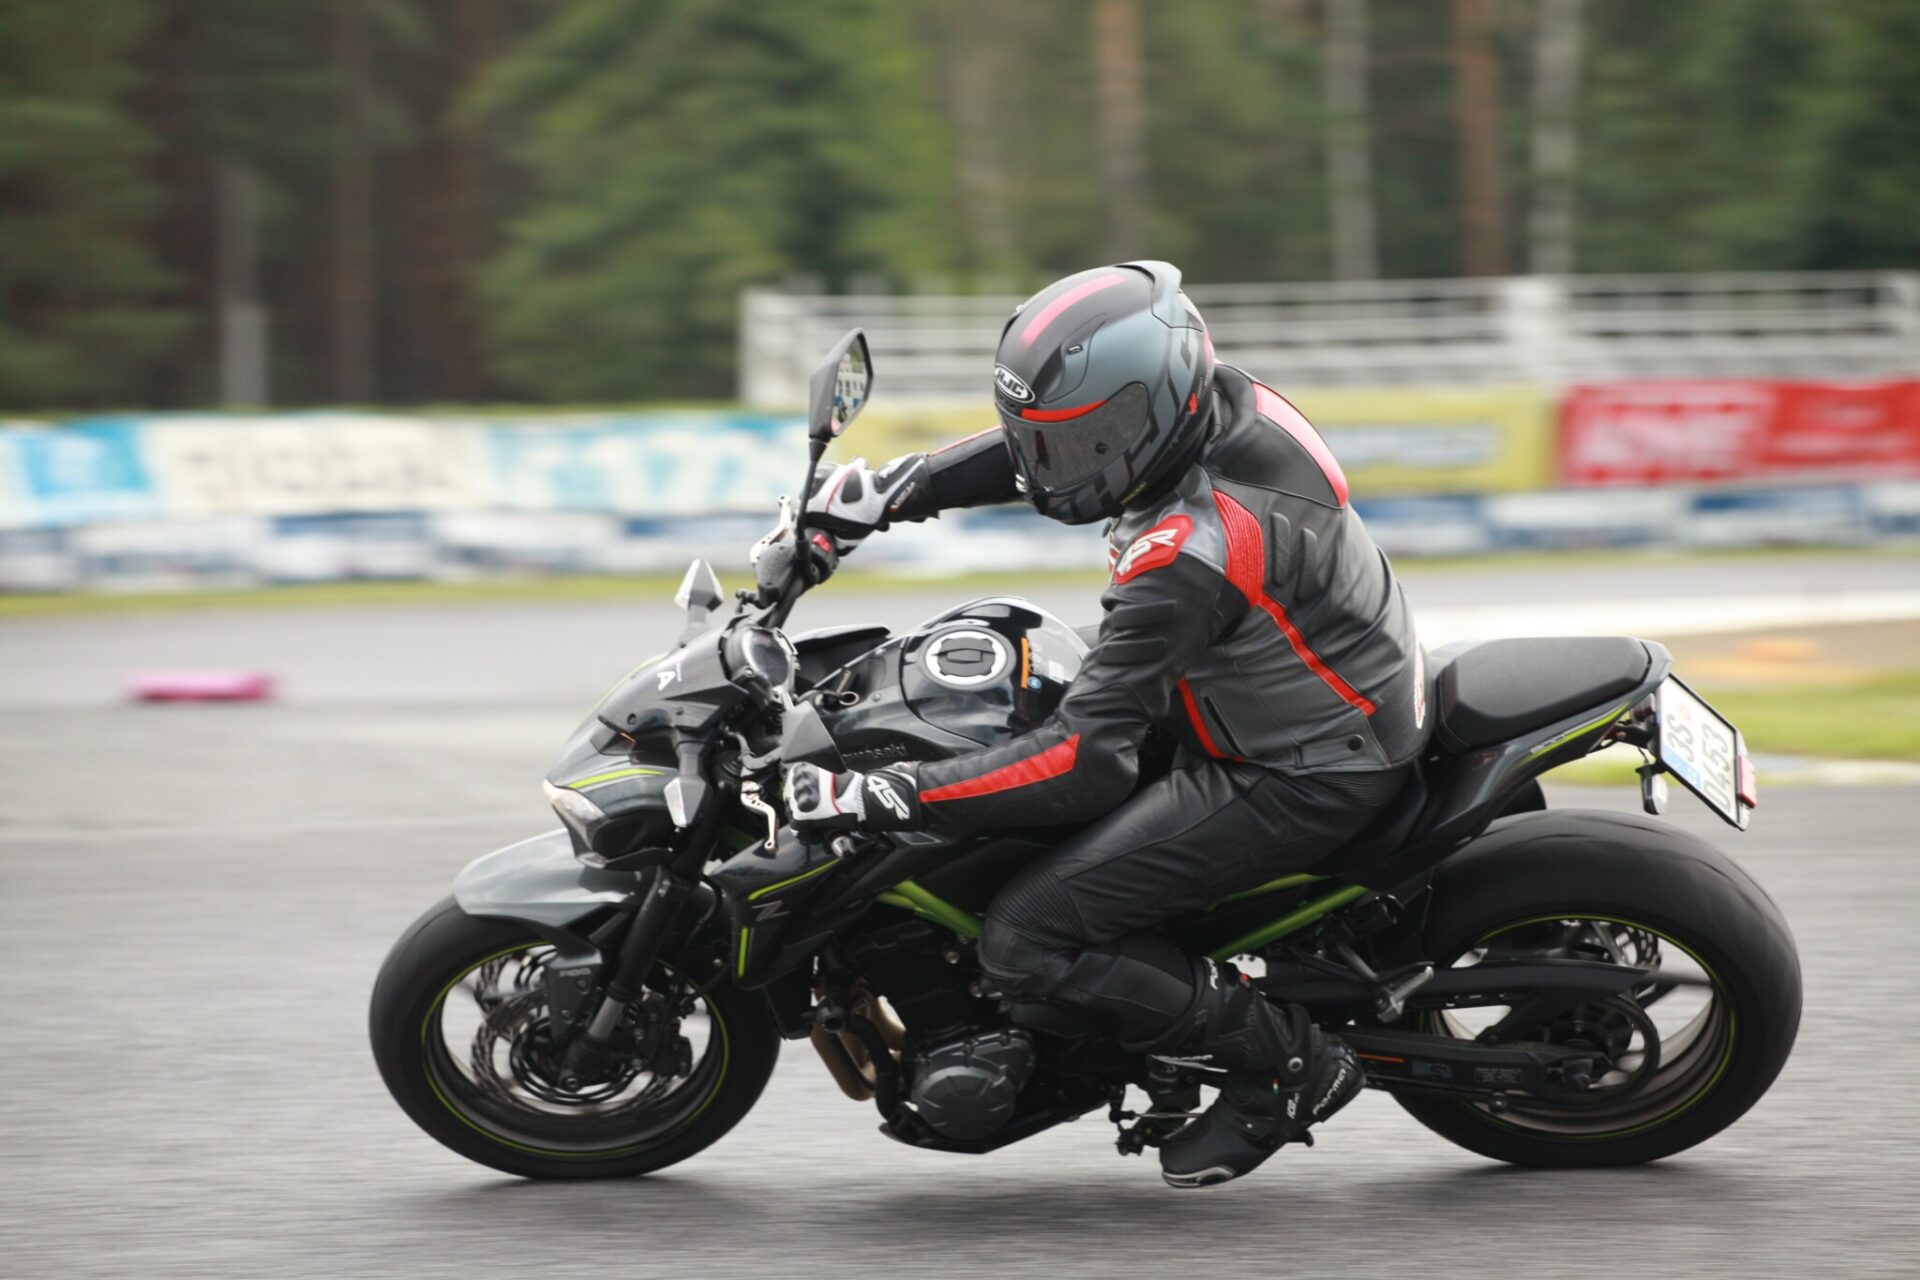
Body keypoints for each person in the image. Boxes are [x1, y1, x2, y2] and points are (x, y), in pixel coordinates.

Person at [782, 261, 1429, 1188]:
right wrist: (891, 490)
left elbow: (1084, 762)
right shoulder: (1217, 403)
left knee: (1027, 934)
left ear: (1148, 415)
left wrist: (885, 794)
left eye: (1079, 443)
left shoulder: (1191, 546)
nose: (1049, 466)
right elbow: (1051, 447)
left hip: (1302, 764)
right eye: (1044, 440)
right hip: (1276, 683)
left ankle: (1288, 1068)